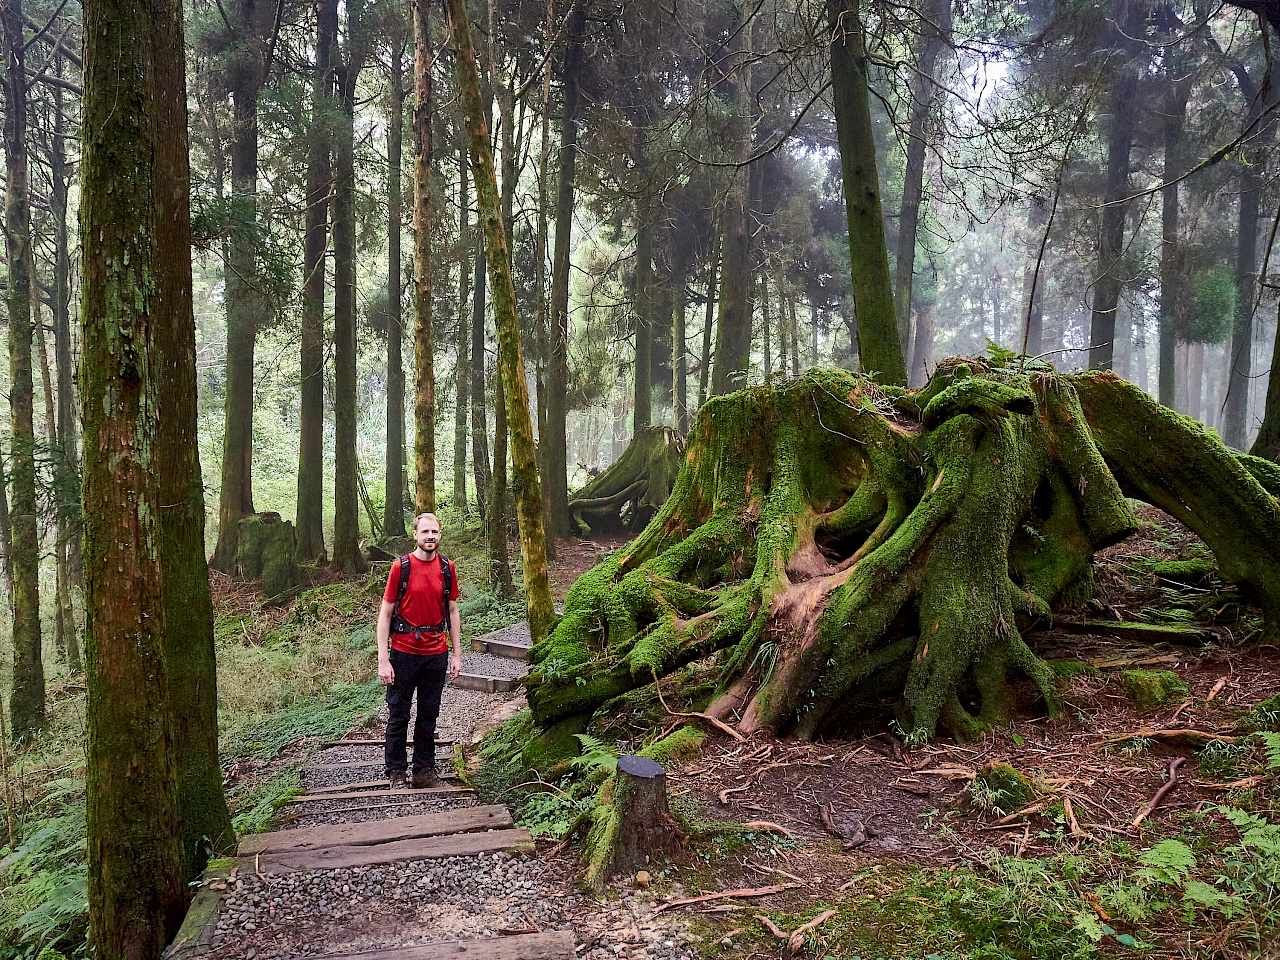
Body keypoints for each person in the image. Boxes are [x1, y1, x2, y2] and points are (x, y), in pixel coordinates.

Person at [377, 512, 463, 789]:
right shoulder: (400, 567)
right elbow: (386, 613)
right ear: (415, 534)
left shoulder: (447, 568)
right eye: (425, 532)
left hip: (436, 652)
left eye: (434, 532)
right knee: (399, 713)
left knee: (429, 713)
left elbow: (452, 611)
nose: (430, 537)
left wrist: (457, 654)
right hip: (403, 652)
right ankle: (396, 772)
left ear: (440, 535)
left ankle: (424, 771)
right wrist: (383, 659)